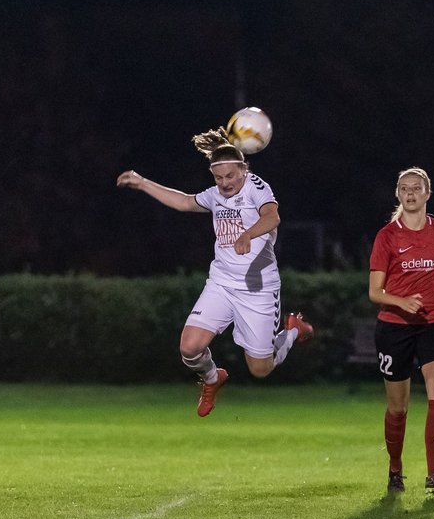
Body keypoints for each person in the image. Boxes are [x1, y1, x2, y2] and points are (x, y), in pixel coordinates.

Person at [116, 126, 313, 416]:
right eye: (219, 178)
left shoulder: (257, 187)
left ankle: (292, 330)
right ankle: (212, 378)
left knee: (260, 369)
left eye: (231, 176)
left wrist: (247, 235)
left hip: (257, 288)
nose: (225, 183)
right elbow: (184, 201)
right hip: (221, 283)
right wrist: (143, 183)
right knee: (189, 348)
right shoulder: (215, 195)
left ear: (244, 169)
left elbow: (272, 217)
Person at [368, 167, 434, 494]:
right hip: (394, 327)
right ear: (398, 195)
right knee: (398, 408)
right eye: (404, 189)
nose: (410, 193)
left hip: (433, 321)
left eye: (416, 188)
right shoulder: (387, 236)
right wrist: (401, 301)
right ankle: (395, 468)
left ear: (428, 194)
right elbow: (375, 292)